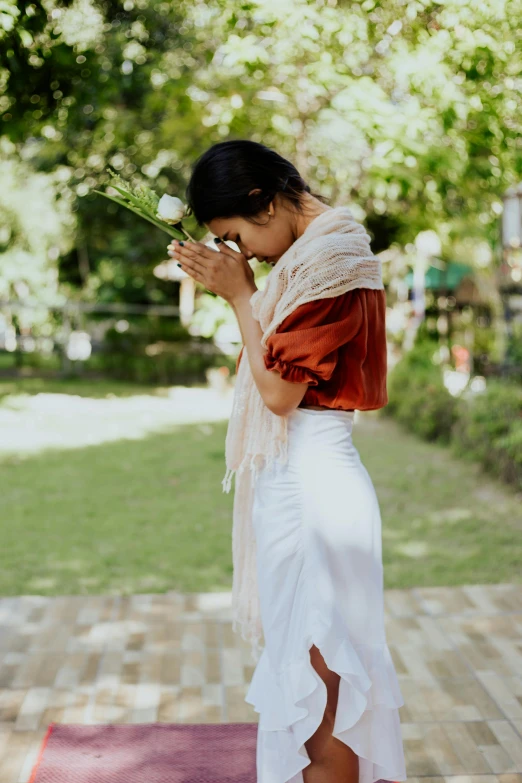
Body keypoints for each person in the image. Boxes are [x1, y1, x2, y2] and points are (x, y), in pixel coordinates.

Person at [166, 139, 406, 783]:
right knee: (307, 672)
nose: (239, 253)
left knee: (322, 680)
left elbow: (277, 393)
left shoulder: (334, 257)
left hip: (315, 487)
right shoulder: (308, 256)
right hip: (295, 479)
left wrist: (242, 298)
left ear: (263, 201)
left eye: (235, 235)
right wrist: (243, 290)